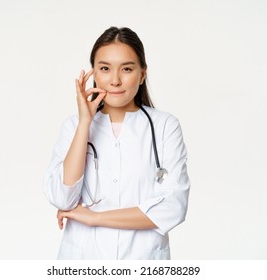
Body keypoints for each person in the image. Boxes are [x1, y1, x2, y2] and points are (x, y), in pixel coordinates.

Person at [43, 26, 190, 259]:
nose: (115, 80)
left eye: (127, 69)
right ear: (94, 74)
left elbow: (173, 208)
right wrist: (84, 124)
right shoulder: (73, 127)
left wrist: (96, 218)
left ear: (142, 74)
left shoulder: (164, 127)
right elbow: (63, 198)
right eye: (104, 68)